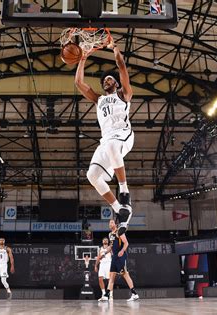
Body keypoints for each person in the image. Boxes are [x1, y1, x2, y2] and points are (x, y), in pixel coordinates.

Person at [75, 39, 134, 237]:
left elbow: (122, 66)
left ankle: (124, 191)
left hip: (124, 135)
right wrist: (82, 57)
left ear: (116, 83)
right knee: (91, 176)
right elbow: (78, 83)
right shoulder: (99, 99)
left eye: (110, 79)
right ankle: (120, 209)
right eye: (104, 80)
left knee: (111, 145)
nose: (106, 81)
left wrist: (115, 49)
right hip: (107, 140)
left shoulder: (124, 94)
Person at [98, 219, 139, 302]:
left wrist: (122, 251)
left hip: (120, 256)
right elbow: (111, 246)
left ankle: (134, 294)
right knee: (112, 276)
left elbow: (126, 243)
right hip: (114, 257)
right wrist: (104, 253)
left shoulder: (119, 232)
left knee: (125, 274)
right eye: (109, 223)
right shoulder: (110, 234)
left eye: (112, 222)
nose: (110, 224)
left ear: (115, 224)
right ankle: (106, 295)